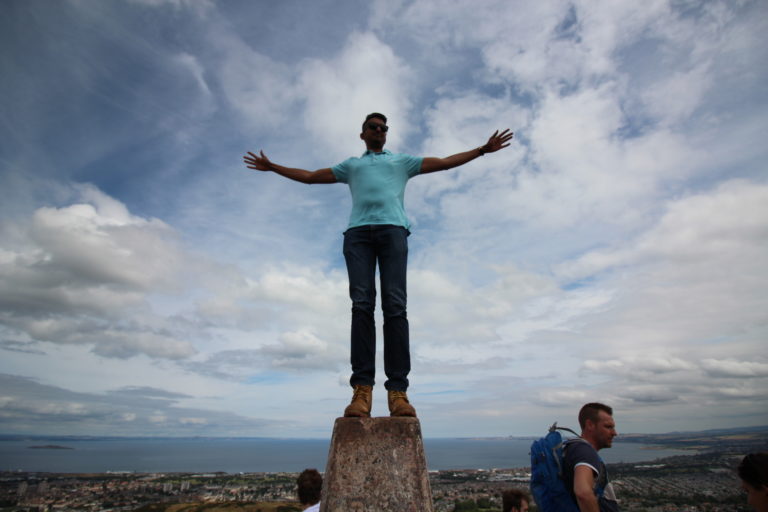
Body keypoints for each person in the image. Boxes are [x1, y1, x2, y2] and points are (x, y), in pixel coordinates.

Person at [244, 113, 513, 418]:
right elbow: (310, 177)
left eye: (384, 128)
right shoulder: (351, 165)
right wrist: (273, 167)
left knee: (395, 307)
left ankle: (398, 392)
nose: (379, 131)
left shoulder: (402, 162)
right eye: (373, 127)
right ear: (363, 134)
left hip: (393, 231)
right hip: (358, 235)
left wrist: (481, 150)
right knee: (361, 306)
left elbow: (445, 162)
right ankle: (362, 392)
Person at [562, 403, 620, 512]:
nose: (614, 433)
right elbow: (583, 493)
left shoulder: (574, 449)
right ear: (590, 425)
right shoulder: (584, 451)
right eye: (608, 427)